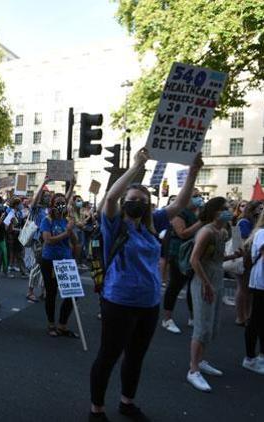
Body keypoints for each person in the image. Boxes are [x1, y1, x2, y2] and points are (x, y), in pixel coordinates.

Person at [89, 149, 202, 422]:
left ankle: (127, 402)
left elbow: (180, 204)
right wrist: (137, 166)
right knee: (109, 356)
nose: (137, 203)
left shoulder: (153, 224)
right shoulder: (114, 224)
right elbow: (113, 196)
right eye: (133, 199)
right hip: (119, 301)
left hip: (149, 303)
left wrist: (194, 172)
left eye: (142, 200)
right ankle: (97, 409)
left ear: (149, 206)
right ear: (125, 203)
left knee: (136, 356)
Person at [186, 197, 240, 392]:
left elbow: (216, 258)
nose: (229, 211)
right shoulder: (206, 231)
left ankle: (201, 361)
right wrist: (207, 285)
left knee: (211, 325)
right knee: (201, 326)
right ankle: (193, 370)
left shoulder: (222, 232)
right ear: (214, 211)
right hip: (203, 282)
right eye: (224, 209)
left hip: (214, 281)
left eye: (229, 208)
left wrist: (233, 256)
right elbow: (195, 260)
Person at [161, 188, 204, 334]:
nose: (199, 198)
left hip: (193, 254)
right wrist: (201, 223)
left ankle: (193, 317)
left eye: (199, 196)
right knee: (175, 285)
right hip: (179, 254)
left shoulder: (197, 213)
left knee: (192, 286)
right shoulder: (179, 213)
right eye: (195, 196)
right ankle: (167, 319)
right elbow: (182, 233)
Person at [40, 190, 79, 338]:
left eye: (63, 203)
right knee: (52, 293)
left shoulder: (66, 220)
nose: (61, 205)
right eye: (58, 203)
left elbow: (75, 242)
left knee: (73, 294)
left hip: (66, 262)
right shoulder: (47, 220)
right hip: (50, 261)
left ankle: (62, 325)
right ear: (52, 205)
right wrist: (66, 233)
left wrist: (71, 230)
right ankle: (51, 324)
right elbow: (48, 240)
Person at [233, 201, 263, 323]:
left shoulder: (254, 223)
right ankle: (241, 317)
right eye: (260, 208)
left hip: (250, 259)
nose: (262, 210)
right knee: (242, 288)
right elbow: (243, 242)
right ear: (253, 209)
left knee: (247, 290)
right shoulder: (244, 222)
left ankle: (247, 314)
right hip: (244, 259)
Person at [243, 212, 264, 374]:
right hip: (261, 282)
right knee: (256, 319)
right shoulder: (262, 233)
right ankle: (250, 358)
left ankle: (261, 356)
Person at [6, 197, 28, 278]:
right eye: (20, 204)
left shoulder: (19, 213)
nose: (21, 205)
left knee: (19, 254)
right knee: (11, 254)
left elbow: (22, 222)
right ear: (15, 205)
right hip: (11, 236)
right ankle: (8, 271)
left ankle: (23, 271)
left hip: (19, 235)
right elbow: (7, 225)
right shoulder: (11, 213)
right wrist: (14, 228)